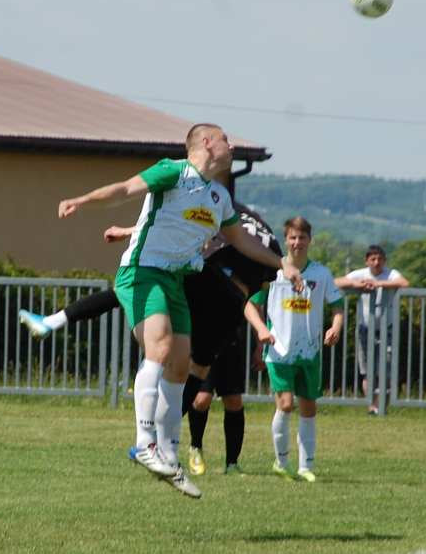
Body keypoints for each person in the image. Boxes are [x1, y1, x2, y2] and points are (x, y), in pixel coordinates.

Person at [55, 123, 301, 498]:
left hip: (175, 279)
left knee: (181, 365)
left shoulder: (218, 197)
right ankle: (144, 443)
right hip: (143, 272)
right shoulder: (173, 171)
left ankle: (169, 454)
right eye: (225, 139)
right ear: (206, 143)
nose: (231, 145)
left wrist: (281, 263)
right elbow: (124, 189)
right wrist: (83, 201)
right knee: (161, 348)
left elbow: (242, 241)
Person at [19, 203, 282, 477]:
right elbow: (258, 287)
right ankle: (162, 441)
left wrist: (127, 231)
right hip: (230, 306)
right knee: (196, 372)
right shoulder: (268, 238)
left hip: (209, 281)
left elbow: (179, 227)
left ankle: (54, 320)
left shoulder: (221, 209)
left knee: (128, 290)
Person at [250, 216, 343, 482]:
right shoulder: (273, 272)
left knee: (308, 407)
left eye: (302, 237)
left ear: (309, 240)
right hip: (279, 351)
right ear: (285, 240)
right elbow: (250, 304)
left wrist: (335, 327)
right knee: (286, 404)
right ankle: (281, 461)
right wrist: (261, 329)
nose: (297, 242)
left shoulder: (321, 274)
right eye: (292, 237)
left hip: (309, 352)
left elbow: (337, 307)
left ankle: (305, 467)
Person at [334, 245, 409, 414]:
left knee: (387, 372)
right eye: (373, 259)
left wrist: (379, 284)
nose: (376, 263)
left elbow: (404, 283)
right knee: (367, 372)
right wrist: (355, 283)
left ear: (385, 260)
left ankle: (382, 406)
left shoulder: (391, 274)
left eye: (380, 259)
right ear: (367, 261)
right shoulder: (360, 274)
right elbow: (336, 281)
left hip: (387, 328)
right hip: (365, 328)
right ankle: (372, 407)